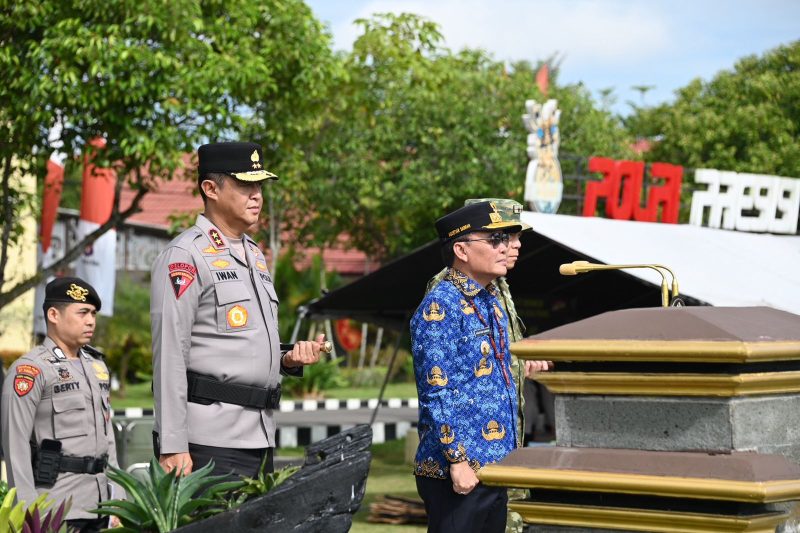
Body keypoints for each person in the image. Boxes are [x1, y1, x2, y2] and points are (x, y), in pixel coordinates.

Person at [150, 141, 324, 478]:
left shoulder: (254, 255)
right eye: (245, 184)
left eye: (259, 185)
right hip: (208, 441)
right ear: (210, 188)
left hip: (259, 435)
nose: (257, 195)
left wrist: (286, 358)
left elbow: (238, 341)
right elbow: (170, 353)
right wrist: (173, 444)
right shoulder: (185, 256)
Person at [424, 199, 550, 533]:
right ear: (461, 250)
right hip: (460, 468)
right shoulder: (441, 303)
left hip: (495, 465)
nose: (509, 246)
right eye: (495, 239)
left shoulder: (488, 299)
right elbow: (438, 391)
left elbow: (484, 372)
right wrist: (458, 460)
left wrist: (522, 368)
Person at [1, 277, 123, 532]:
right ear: (54, 314)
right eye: (83, 313)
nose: (91, 321)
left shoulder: (96, 366)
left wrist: (119, 496)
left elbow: (108, 436)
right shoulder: (31, 370)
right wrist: (28, 514)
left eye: (93, 314)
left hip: (101, 505)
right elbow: (16, 446)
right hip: (57, 509)